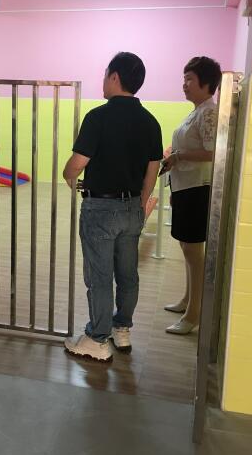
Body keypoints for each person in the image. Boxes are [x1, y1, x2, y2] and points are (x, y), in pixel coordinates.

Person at [63, 52, 163, 362]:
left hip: (100, 210)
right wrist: (140, 204)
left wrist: (68, 176)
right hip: (132, 207)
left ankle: (97, 338)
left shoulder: (98, 117)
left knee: (100, 276)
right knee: (128, 274)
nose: (103, 80)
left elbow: (77, 164)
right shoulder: (150, 122)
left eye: (106, 74)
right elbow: (152, 170)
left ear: (115, 77)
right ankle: (122, 329)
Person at [161, 56, 221, 335]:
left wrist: (178, 156)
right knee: (187, 248)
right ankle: (188, 300)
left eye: (190, 79)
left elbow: (212, 152)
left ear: (207, 83)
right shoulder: (197, 111)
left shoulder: (209, 112)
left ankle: (194, 314)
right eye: (184, 78)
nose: (184, 84)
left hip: (198, 188)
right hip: (185, 187)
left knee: (194, 252)